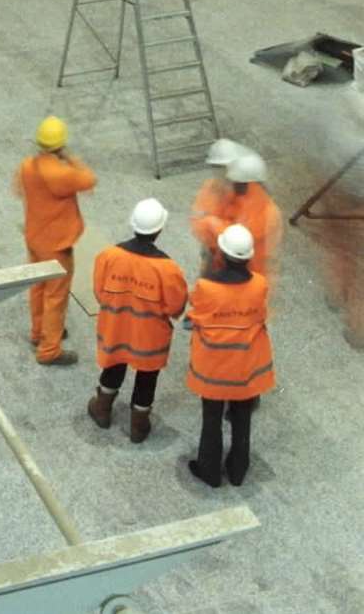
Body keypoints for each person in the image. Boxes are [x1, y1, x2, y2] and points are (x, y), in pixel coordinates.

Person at [88, 198, 187, 443]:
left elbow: (100, 293)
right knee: (147, 378)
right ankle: (138, 426)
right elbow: (176, 307)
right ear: (160, 229)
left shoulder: (108, 256)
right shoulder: (168, 269)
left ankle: (102, 409)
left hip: (115, 328)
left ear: (133, 224)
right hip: (149, 338)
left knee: (113, 365)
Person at [186, 223, 275, 488]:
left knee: (211, 418)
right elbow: (261, 315)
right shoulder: (259, 284)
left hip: (213, 365)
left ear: (222, 255)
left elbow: (196, 316)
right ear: (248, 257)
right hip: (246, 364)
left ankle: (209, 470)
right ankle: (238, 469)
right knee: (242, 415)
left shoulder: (206, 287)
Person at [15, 116, 96, 366]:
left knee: (38, 287)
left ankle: (38, 332)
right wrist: (69, 157)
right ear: (60, 144)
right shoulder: (64, 174)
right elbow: (89, 179)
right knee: (56, 296)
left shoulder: (27, 166)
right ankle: (49, 349)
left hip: (35, 237)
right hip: (58, 245)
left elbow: (19, 189)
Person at [193, 149, 282, 284]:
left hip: (248, 274)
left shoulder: (266, 212)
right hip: (226, 263)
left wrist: (211, 223)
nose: (232, 184)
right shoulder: (240, 196)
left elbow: (240, 237)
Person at [190, 138, 246, 271]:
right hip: (213, 253)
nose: (223, 173)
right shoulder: (210, 187)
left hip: (236, 258)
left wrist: (212, 223)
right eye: (219, 168)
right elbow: (197, 223)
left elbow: (246, 233)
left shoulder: (245, 192)